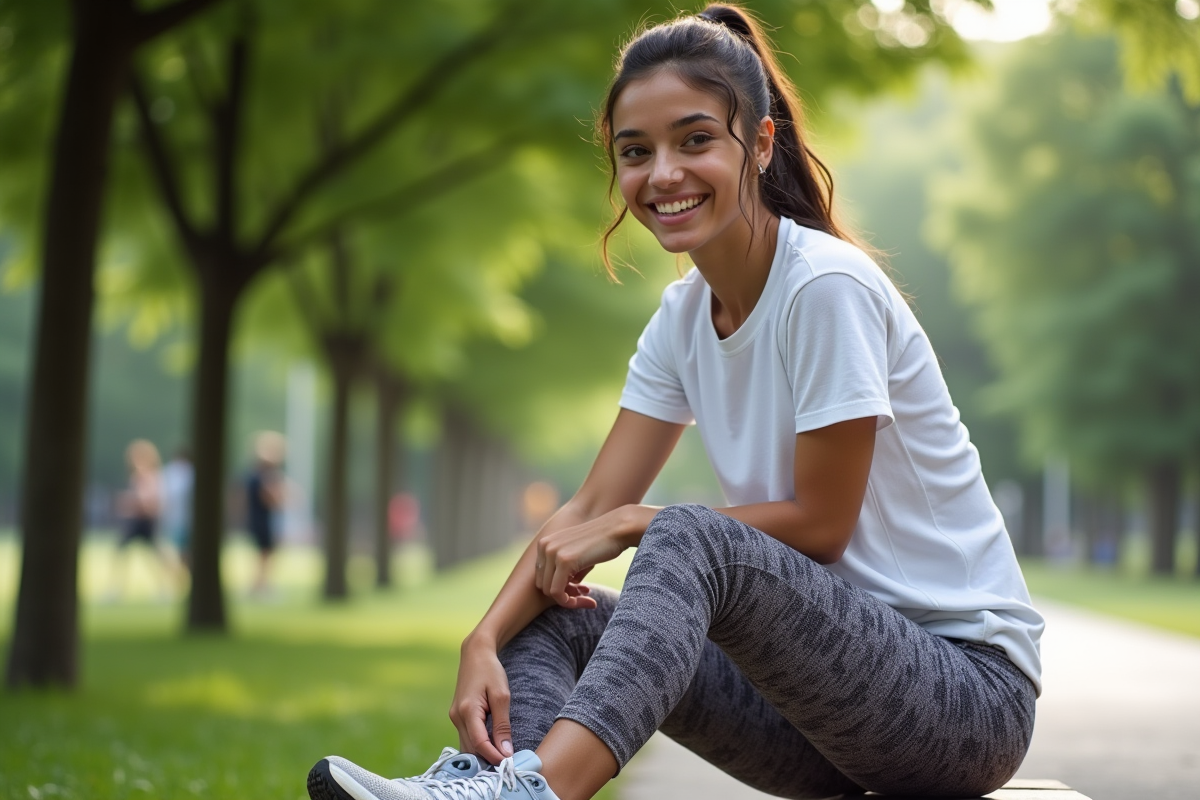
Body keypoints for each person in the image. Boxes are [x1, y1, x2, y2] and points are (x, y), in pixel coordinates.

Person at [306, 6, 1044, 800]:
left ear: (759, 144)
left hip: (961, 704)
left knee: (687, 532)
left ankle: (537, 792)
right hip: (813, 718)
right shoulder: (683, 316)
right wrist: (483, 634)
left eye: (695, 140)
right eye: (636, 152)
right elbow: (589, 504)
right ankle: (496, 783)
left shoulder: (824, 287)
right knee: (554, 609)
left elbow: (823, 525)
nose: (662, 174)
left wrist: (635, 525)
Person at [107, 439, 178, 600]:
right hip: (137, 522)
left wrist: (132, 502)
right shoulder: (140, 476)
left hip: (145, 522)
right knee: (126, 554)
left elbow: (151, 502)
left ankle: (165, 587)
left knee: (155, 557)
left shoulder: (149, 476)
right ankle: (117, 588)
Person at [245, 431, 286, 596]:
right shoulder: (264, 476)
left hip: (260, 518)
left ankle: (260, 584)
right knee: (265, 553)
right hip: (262, 519)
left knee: (265, 554)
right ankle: (259, 586)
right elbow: (270, 498)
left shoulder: (255, 474)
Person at [160, 446, 194, 569]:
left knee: (184, 552)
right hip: (176, 520)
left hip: (183, 520)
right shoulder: (172, 473)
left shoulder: (186, 473)